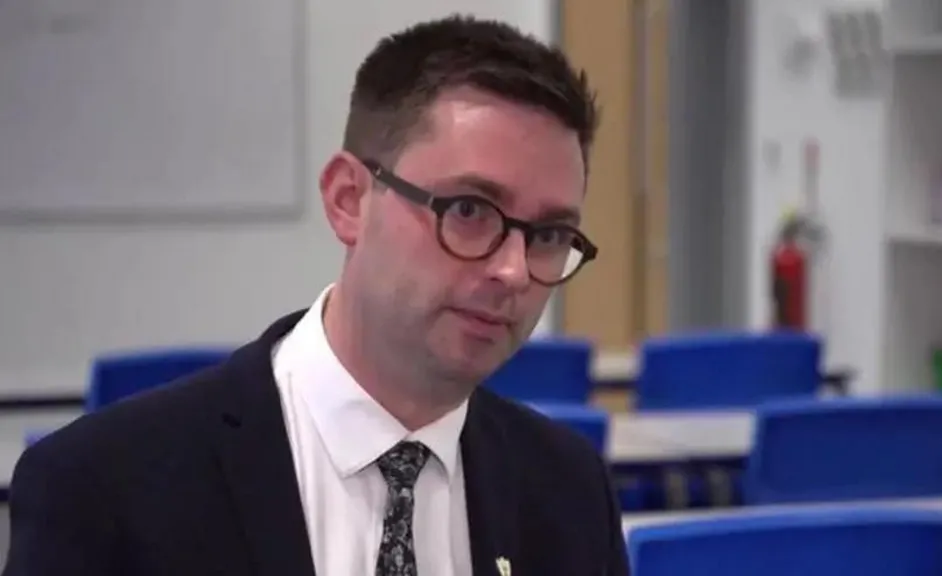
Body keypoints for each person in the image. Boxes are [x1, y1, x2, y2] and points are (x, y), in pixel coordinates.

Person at [3, 14, 628, 576]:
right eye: (469, 210)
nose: (514, 271)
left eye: (550, 235)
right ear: (348, 200)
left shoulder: (568, 490)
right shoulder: (106, 488)